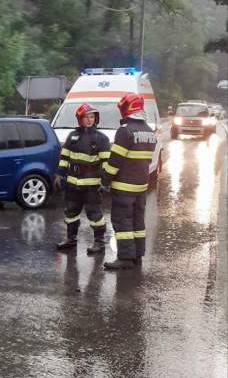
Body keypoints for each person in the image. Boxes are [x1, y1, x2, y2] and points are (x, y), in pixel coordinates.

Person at [102, 93, 157, 269]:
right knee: (137, 221)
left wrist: (105, 180)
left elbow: (115, 161)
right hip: (141, 186)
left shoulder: (125, 131)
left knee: (122, 220)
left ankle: (125, 258)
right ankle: (137, 255)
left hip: (124, 186)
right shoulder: (149, 131)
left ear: (127, 108)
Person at [56, 103, 111, 254]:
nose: (89, 120)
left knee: (94, 215)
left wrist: (105, 183)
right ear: (79, 119)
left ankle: (99, 243)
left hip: (91, 185)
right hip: (73, 183)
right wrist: (60, 174)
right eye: (86, 117)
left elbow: (107, 164)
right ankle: (71, 239)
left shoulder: (101, 139)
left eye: (92, 117)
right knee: (71, 212)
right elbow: (64, 157)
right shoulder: (72, 136)